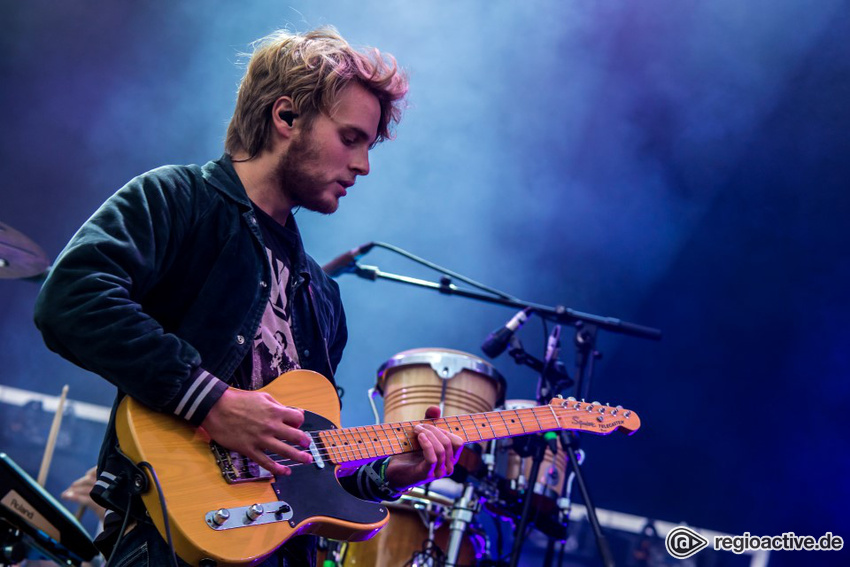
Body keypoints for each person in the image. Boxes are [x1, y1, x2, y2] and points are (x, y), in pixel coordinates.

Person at [34, 27, 464, 567]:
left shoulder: (323, 297)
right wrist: (211, 402)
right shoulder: (178, 199)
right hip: (168, 544)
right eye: (350, 138)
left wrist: (387, 475)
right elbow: (71, 298)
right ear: (286, 118)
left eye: (369, 146)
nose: (363, 165)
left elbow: (309, 463)